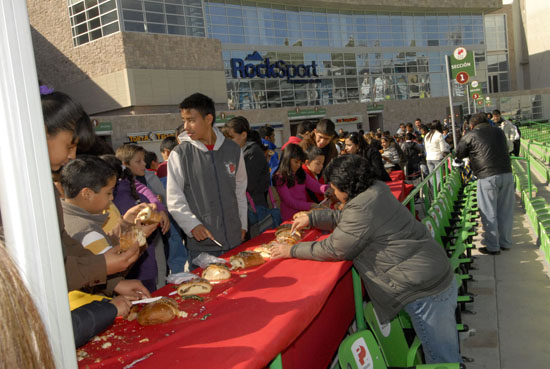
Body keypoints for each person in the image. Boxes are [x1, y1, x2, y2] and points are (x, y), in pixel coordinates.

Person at [271, 155, 461, 364]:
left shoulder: (362, 207)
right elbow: (347, 219)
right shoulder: (375, 191)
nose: (333, 193)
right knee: (443, 351)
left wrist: (292, 250)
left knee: (442, 359)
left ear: (347, 187)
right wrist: (313, 217)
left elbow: (335, 248)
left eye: (334, 188)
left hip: (425, 289)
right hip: (430, 274)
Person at [41, 91, 142, 293]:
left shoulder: (44, 186)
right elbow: (44, 269)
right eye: (69, 146)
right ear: (43, 132)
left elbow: (63, 245)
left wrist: (114, 282)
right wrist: (103, 266)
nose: (72, 156)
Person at [167, 93, 247, 268]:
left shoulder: (233, 150)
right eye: (184, 120)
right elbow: (174, 199)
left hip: (235, 240)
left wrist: (243, 223)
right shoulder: (180, 154)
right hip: (202, 246)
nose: (186, 126)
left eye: (191, 120)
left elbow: (240, 190)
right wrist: (192, 225)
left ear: (208, 118)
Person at [60, 156, 152, 294]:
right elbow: (116, 266)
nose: (112, 198)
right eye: (108, 192)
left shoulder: (63, 216)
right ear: (87, 194)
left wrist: (125, 224)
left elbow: (105, 244)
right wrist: (139, 237)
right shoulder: (88, 231)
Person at [456, 112, 514, 254]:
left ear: (471, 125)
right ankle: (505, 243)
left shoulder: (470, 135)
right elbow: (509, 147)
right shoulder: (499, 131)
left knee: (489, 212)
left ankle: (493, 247)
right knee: (505, 211)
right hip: (506, 173)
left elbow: (458, 153)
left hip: (486, 176)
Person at [116, 144, 170, 289]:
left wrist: (159, 208)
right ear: (124, 165)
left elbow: (146, 192)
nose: (144, 164)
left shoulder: (136, 186)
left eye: (144, 160)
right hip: (133, 268)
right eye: (138, 161)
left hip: (145, 261)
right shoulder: (120, 194)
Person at [224, 116, 280, 231]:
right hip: (248, 207)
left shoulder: (252, 152)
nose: (228, 141)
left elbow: (247, 184)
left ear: (243, 135)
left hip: (255, 207)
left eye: (231, 137)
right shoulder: (239, 151)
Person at [273, 144, 327, 221]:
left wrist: (328, 188)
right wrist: (310, 205)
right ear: (287, 159)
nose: (298, 165)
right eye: (296, 162)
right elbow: (289, 201)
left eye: (300, 163)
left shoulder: (301, 173)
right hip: (289, 217)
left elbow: (316, 186)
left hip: (303, 214)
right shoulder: (279, 177)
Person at [425, 120, 450, 188]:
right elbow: (443, 149)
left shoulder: (427, 135)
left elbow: (426, 148)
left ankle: (434, 192)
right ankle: (439, 191)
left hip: (429, 158)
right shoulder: (439, 135)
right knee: (439, 176)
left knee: (432, 176)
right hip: (437, 158)